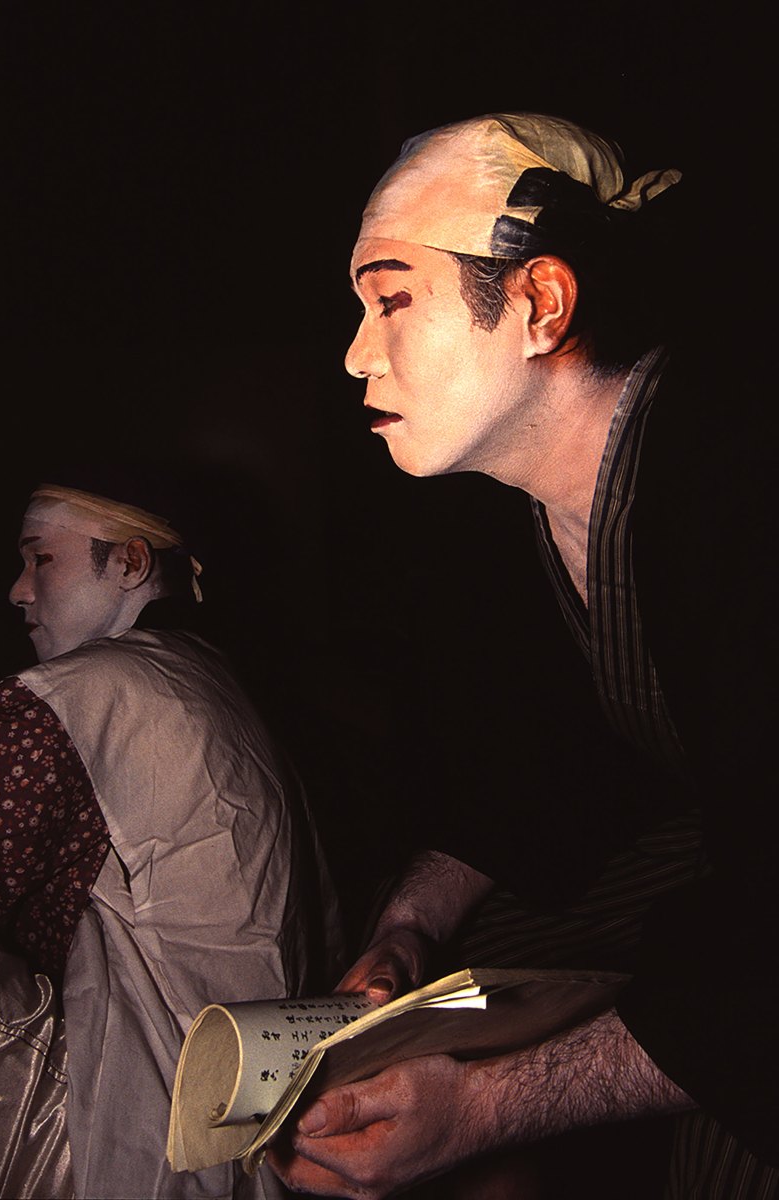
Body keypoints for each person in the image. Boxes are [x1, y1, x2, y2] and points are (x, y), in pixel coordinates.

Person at [265, 112, 778, 1197]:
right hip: (720, 858)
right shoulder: (521, 515)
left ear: (542, 303)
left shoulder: (741, 486)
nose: (356, 354)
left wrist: (489, 1109)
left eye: (393, 300)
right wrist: (410, 923)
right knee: (474, 946)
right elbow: (534, 763)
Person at [0, 476, 342, 1199]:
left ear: (130, 563)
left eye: (42, 559)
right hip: (246, 1148)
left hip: (126, 1138)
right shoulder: (218, 679)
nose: (19, 589)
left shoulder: (72, 698)